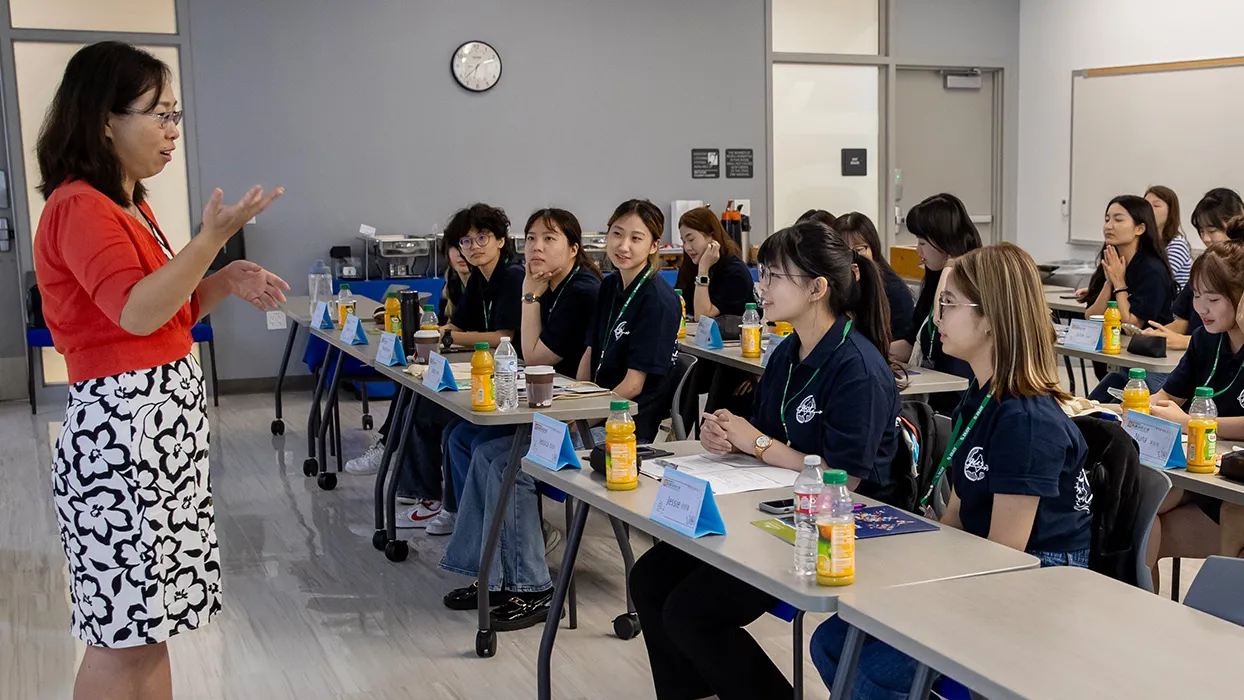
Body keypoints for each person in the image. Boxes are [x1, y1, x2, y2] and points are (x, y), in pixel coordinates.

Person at [34, 42, 285, 700]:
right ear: (102, 121)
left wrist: (223, 276)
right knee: (122, 637)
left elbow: (166, 313)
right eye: (159, 114)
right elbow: (137, 314)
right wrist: (211, 240)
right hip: (123, 448)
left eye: (176, 113)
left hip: (158, 445)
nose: (174, 130)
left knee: (150, 627)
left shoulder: (129, 207)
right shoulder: (78, 207)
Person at [630, 221, 902, 700]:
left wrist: (754, 443)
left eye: (775, 277)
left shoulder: (857, 367)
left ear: (818, 288)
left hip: (842, 528)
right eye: (763, 274)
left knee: (693, 612)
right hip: (774, 505)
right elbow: (765, 433)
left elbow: (847, 481)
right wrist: (726, 436)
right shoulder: (787, 352)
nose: (762, 288)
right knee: (650, 578)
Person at [811, 243, 1092, 699]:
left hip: (1035, 588)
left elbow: (1008, 557)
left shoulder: (1028, 421)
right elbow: (957, 516)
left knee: (872, 672)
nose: (935, 318)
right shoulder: (982, 395)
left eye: (948, 304)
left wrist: (925, 589)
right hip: (978, 566)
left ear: (992, 318)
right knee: (831, 642)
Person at [438, 208, 602, 628]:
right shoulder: (552, 284)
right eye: (531, 239)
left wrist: (529, 295)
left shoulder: (577, 289)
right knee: (471, 444)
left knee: (504, 462)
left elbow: (532, 356)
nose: (537, 247)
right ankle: (490, 575)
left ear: (574, 248)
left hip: (590, 423)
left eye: (549, 239)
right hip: (556, 407)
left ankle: (534, 588)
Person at [1146, 234, 1244, 590]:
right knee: (1143, 508)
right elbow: (1165, 396)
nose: (1200, 308)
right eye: (1196, 296)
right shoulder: (1206, 338)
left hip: (1233, 490)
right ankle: (1144, 618)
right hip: (1201, 474)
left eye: (1213, 299)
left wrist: (1192, 422)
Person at [345, 235, 472, 477]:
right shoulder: (452, 285)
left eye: (470, 245)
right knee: (410, 387)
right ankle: (391, 448)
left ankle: (392, 450)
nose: (462, 254)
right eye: (456, 247)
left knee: (419, 403)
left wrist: (440, 335)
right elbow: (447, 327)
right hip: (453, 360)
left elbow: (459, 332)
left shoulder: (481, 285)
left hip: (471, 366)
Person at [576, 199, 683, 442]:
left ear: (654, 245)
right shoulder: (609, 285)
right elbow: (590, 352)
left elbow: (633, 386)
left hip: (625, 426)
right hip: (594, 412)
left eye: (636, 239)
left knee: (508, 462)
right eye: (617, 234)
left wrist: (580, 420)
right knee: (490, 451)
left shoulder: (658, 300)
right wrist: (575, 404)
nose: (623, 246)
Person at [889, 193, 982, 413]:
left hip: (960, 397)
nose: (918, 251)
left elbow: (940, 318)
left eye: (922, 242)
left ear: (944, 242)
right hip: (935, 395)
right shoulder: (933, 280)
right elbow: (912, 343)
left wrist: (950, 267)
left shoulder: (971, 283)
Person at [1085, 196, 1177, 401]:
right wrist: (1109, 282)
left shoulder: (1152, 270)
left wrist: (1119, 284)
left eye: (1118, 220)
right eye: (1107, 219)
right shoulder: (1112, 261)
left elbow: (1130, 325)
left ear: (1140, 228)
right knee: (1091, 406)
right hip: (1129, 362)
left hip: (1155, 365)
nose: (1109, 226)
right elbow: (1091, 317)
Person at [1144, 188, 1244, 351]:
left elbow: (1232, 341)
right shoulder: (1205, 265)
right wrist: (1154, 335)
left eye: (1212, 231)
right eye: (1201, 231)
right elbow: (1183, 320)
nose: (1205, 238)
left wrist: (1185, 342)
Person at [836, 211, 914, 342]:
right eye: (842, 251)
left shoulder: (892, 289)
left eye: (858, 249)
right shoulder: (834, 284)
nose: (851, 257)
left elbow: (903, 344)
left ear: (873, 248)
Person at [673, 206, 754, 320]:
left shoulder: (734, 271)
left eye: (691, 240)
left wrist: (703, 270)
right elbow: (677, 304)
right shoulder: (690, 266)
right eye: (683, 241)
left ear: (712, 236)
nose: (687, 247)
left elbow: (702, 317)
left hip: (731, 336)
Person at [1146, 186, 1191, 290]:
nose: (1149, 210)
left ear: (1170, 211)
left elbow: (1157, 279)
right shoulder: (1144, 242)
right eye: (1146, 205)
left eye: (1156, 205)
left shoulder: (1177, 244)